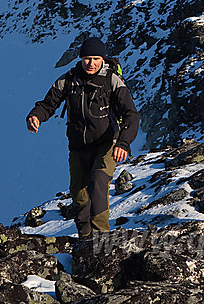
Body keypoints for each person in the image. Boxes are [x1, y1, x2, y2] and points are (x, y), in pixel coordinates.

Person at [26, 37, 140, 237]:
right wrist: (35, 116)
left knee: (97, 182)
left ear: (102, 59)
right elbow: (48, 104)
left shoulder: (112, 81)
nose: (91, 63)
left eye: (96, 58)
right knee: (79, 195)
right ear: (80, 59)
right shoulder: (67, 80)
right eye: (87, 58)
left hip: (108, 144)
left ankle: (101, 237)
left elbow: (132, 114)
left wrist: (123, 143)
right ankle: (85, 240)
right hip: (78, 147)